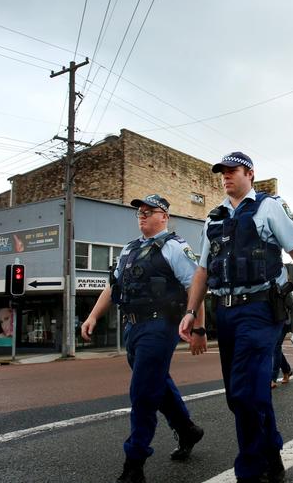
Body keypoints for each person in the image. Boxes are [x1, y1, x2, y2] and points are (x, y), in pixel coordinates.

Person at [179, 152, 293, 483]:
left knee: (246, 393)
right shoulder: (213, 219)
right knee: (242, 395)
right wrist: (191, 313)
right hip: (226, 313)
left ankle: (250, 471)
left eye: (233, 171)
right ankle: (272, 454)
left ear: (250, 174)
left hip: (261, 310)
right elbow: (202, 271)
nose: (226, 177)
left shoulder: (269, 207)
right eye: (223, 173)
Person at [81, 194, 207, 483]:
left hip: (160, 327)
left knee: (142, 394)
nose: (143, 215)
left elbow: (196, 289)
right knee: (156, 383)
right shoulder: (129, 249)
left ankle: (134, 464)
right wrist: (92, 316)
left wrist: (199, 328)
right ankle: (187, 429)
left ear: (164, 216)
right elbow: (112, 288)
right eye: (140, 211)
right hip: (133, 328)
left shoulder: (174, 247)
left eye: (150, 211)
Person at [271, 293, 293, 388]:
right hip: (271, 323)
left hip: (283, 322)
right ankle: (287, 370)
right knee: (276, 348)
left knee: (276, 347)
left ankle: (273, 378)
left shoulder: (282, 286)